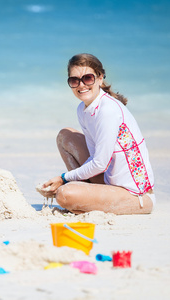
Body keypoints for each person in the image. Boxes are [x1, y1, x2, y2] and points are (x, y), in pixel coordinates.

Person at [42, 53, 155, 215]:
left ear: (100, 78)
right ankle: (85, 196)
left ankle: (81, 199)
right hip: (109, 181)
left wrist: (64, 178)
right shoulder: (83, 109)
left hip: (137, 195)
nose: (81, 85)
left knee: (64, 194)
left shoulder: (108, 110)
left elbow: (100, 164)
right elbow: (95, 157)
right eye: (74, 80)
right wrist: (70, 178)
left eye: (87, 78)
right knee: (65, 136)